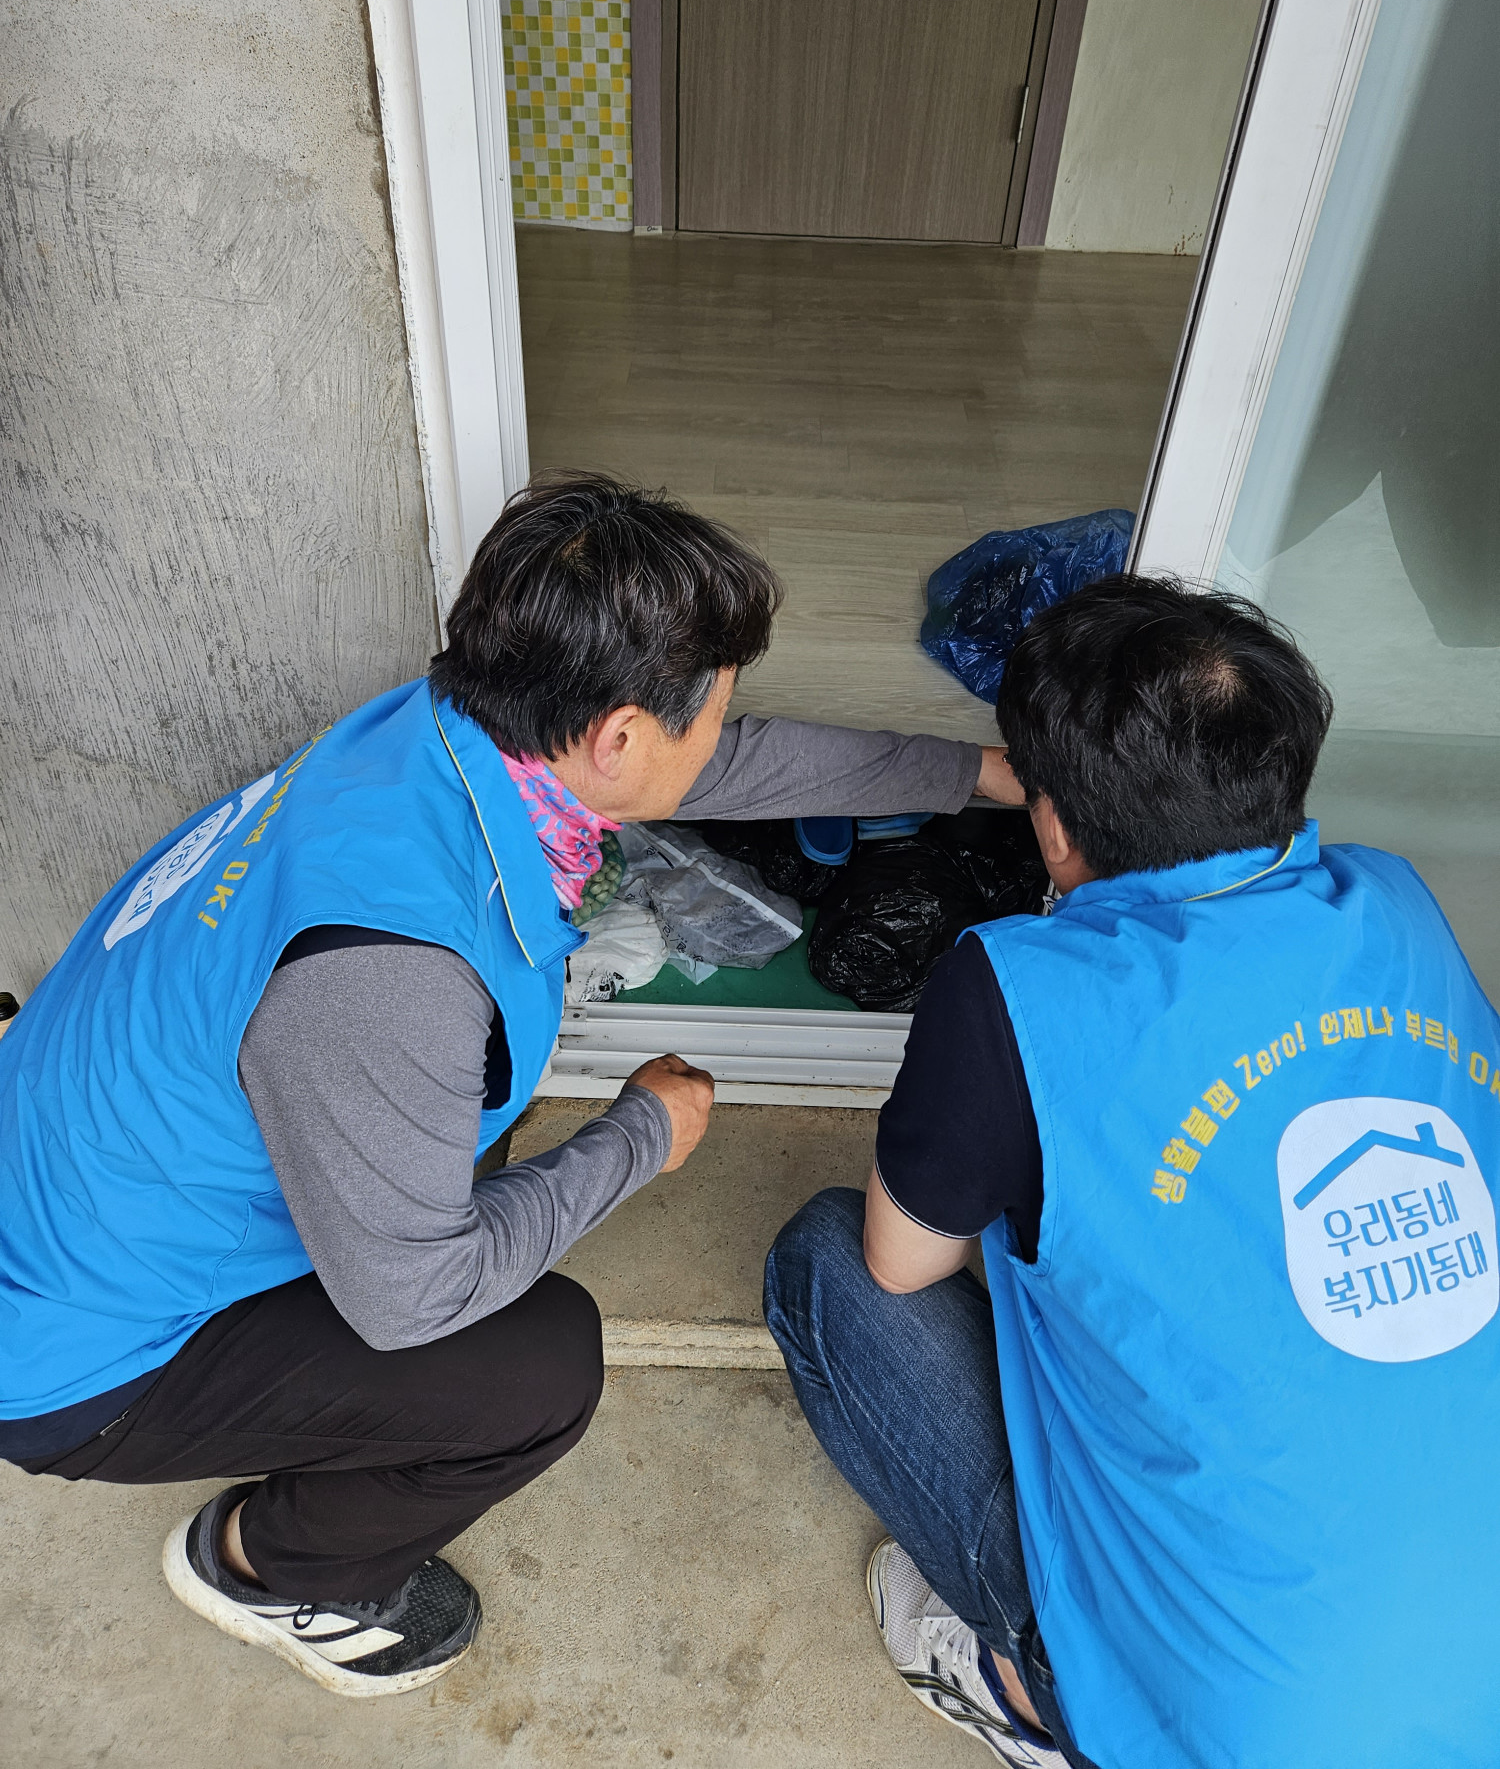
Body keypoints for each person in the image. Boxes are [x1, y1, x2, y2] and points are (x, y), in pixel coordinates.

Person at [0, 474, 1021, 1697]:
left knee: (457, 1166)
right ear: (619, 738)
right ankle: (268, 1566)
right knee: (534, 1368)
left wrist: (985, 775)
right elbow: (412, 1297)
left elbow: (736, 766)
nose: (725, 739)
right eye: (710, 715)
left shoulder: (442, 731)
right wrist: (640, 1134)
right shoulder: (395, 979)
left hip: (81, 1169)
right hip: (76, 1350)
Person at [765, 575, 1500, 1769]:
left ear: (1053, 827)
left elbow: (901, 1262)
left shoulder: (1017, 988)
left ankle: (1030, 1681)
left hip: (1225, 1733)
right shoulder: (1395, 901)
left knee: (824, 1264)